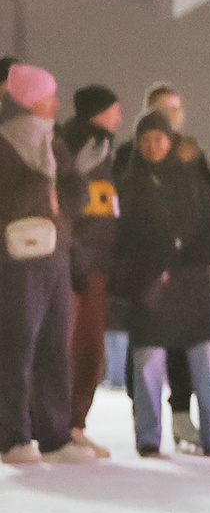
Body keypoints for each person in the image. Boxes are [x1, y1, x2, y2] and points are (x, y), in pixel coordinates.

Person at [111, 107, 210, 457]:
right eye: (146, 140)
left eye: (159, 138)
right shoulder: (129, 181)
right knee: (148, 364)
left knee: (207, 363)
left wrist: (202, 244)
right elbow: (122, 236)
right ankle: (148, 437)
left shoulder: (190, 176)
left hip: (191, 281)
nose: (153, 146)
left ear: (170, 140)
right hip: (150, 284)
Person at [0, 65, 82, 465]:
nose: (56, 103)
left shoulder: (53, 141)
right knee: (16, 346)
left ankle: (54, 435)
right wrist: (41, 180)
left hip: (54, 253)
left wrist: (65, 183)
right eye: (49, 95)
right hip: (15, 258)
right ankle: (12, 435)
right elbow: (9, 201)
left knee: (55, 345)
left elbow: (75, 191)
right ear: (31, 99)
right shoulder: (4, 144)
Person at [57, 84, 122, 458]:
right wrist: (78, 254)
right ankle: (62, 425)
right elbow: (72, 198)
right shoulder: (84, 144)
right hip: (78, 262)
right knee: (74, 346)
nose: (119, 117)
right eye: (115, 109)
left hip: (95, 262)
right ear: (99, 111)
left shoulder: (105, 147)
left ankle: (73, 425)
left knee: (89, 349)